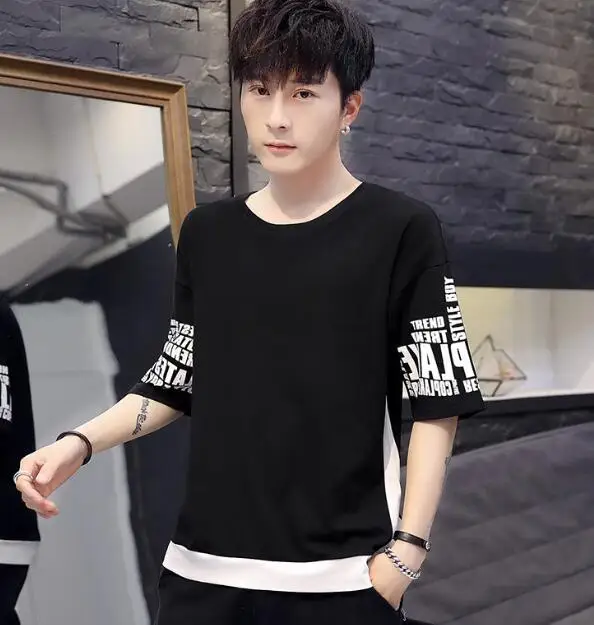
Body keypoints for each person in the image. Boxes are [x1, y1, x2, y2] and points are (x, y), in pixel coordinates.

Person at [14, 0, 485, 623]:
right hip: (200, 577)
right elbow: (175, 380)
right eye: (260, 90)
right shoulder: (208, 234)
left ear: (350, 108)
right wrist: (79, 443)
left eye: (303, 93)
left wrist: (407, 553)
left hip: (341, 581)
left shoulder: (401, 229)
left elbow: (436, 400)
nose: (277, 117)